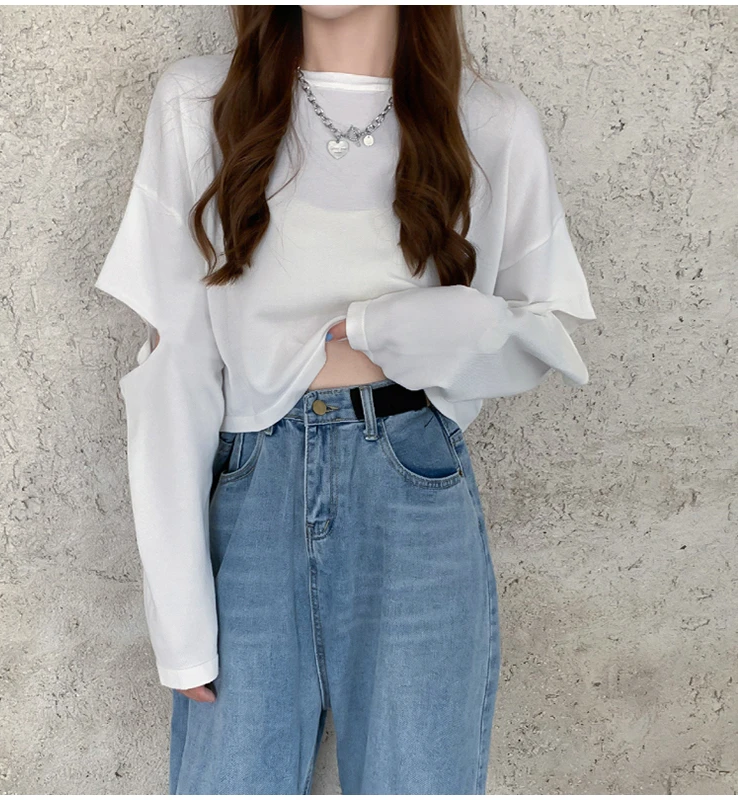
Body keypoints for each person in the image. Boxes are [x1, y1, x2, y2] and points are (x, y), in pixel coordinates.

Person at [94, 5, 597, 795]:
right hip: (251, 492)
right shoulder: (201, 105)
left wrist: (393, 328)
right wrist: (180, 618)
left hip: (413, 490)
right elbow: (174, 372)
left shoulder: (488, 122)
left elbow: (541, 337)